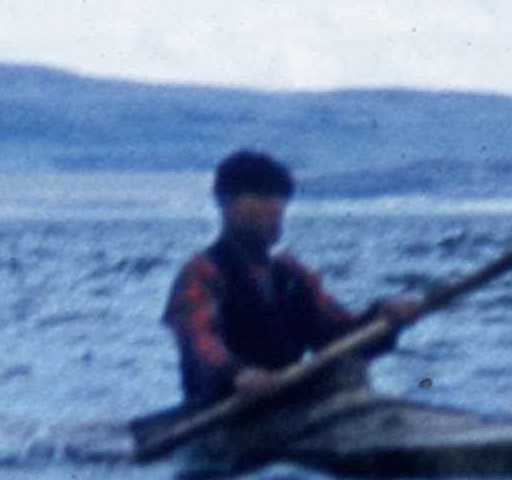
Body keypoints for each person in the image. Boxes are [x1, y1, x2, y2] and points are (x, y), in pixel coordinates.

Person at [164, 149, 400, 410]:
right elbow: (201, 344)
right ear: (225, 204)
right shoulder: (201, 272)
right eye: (260, 198)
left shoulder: (292, 275)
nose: (272, 213)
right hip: (224, 408)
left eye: (278, 202)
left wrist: (385, 319)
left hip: (286, 403)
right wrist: (238, 375)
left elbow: (339, 335)